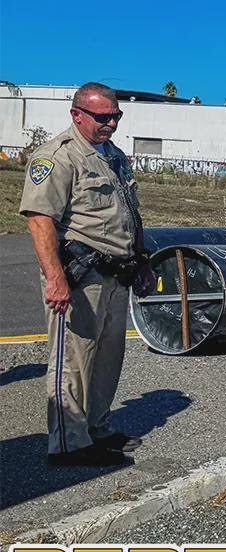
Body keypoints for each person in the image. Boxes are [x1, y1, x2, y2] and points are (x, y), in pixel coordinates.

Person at [19, 82, 154, 467]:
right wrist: (55, 277)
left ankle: (96, 427)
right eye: (102, 117)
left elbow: (130, 213)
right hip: (79, 277)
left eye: (116, 116)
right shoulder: (58, 157)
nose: (111, 123)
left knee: (108, 359)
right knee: (73, 360)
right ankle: (69, 443)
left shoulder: (114, 157)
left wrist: (141, 260)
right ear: (77, 114)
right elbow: (39, 220)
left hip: (116, 275)